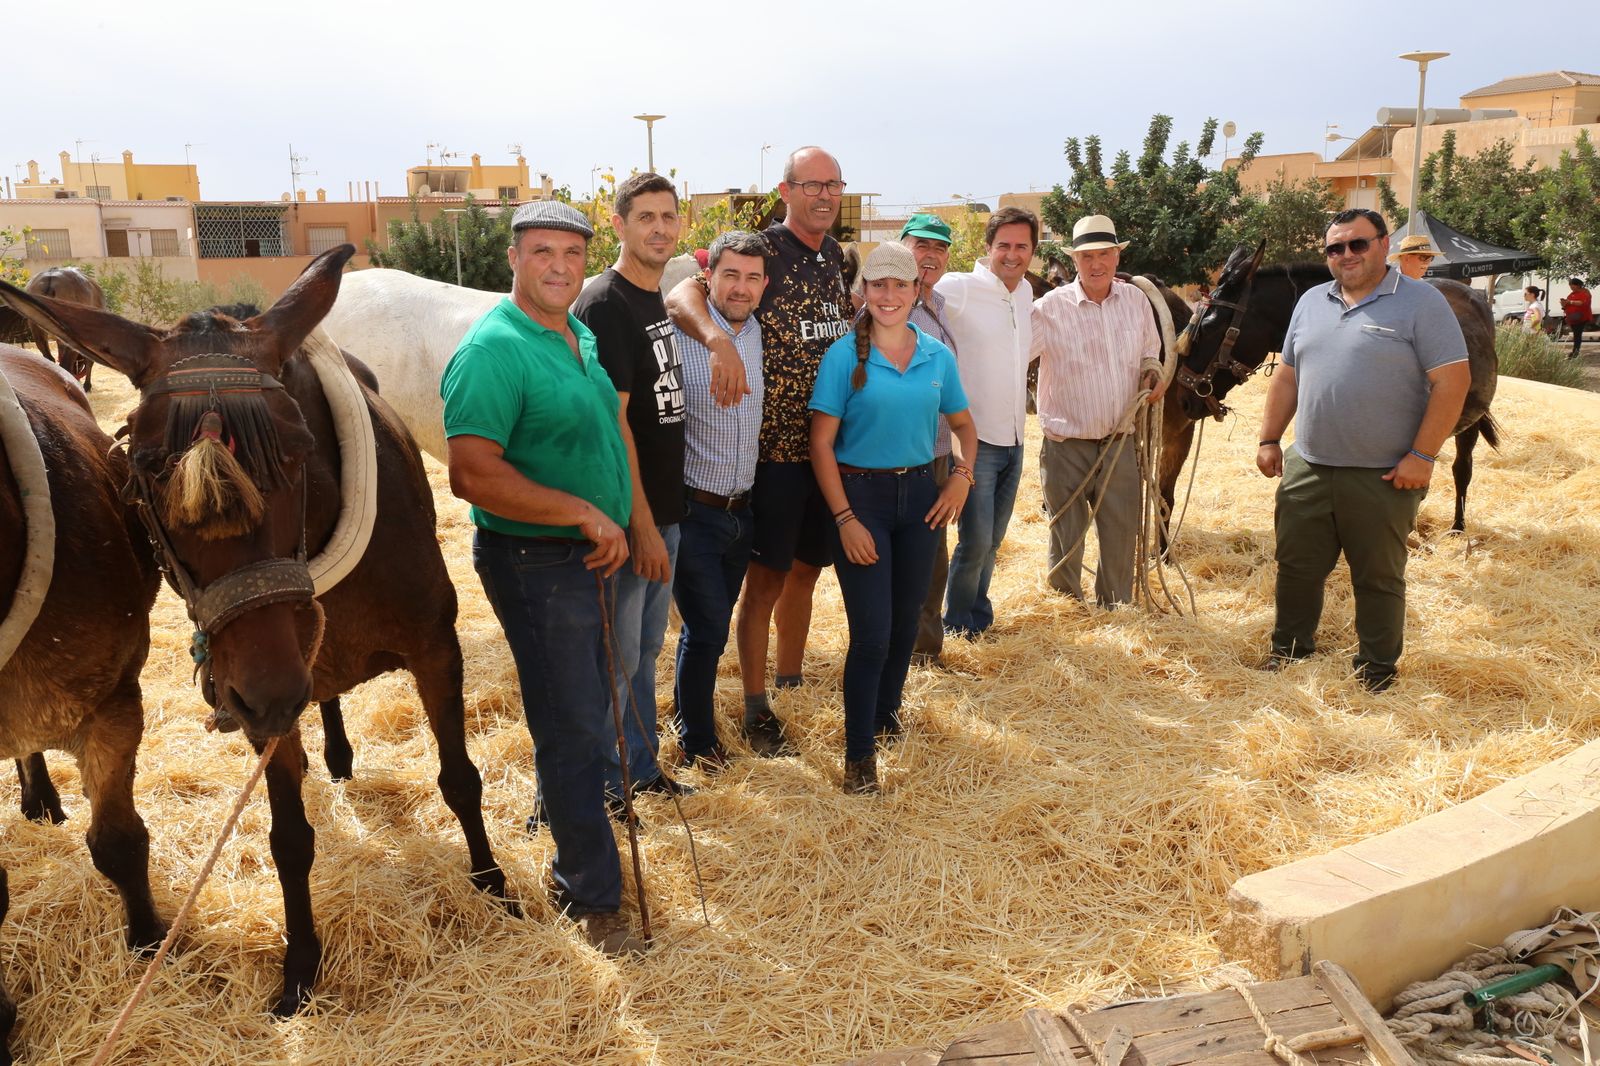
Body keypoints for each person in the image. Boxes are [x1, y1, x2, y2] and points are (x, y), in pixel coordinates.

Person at [441, 200, 645, 955]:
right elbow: (471, 472)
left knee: (587, 716)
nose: (559, 266)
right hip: (537, 561)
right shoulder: (494, 350)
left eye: (571, 252)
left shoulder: (577, 333)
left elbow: (605, 436)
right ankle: (588, 896)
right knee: (572, 728)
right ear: (514, 259)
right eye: (542, 252)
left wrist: (626, 521)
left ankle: (583, 862)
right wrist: (582, 514)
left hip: (589, 555)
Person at [666, 146, 851, 756]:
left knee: (806, 571)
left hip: (822, 449)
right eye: (811, 185)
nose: (823, 196)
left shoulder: (834, 260)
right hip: (767, 455)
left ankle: (789, 677)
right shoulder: (764, 249)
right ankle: (753, 705)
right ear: (787, 189)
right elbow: (685, 294)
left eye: (833, 185)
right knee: (764, 580)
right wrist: (718, 343)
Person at [1255, 208, 1469, 692]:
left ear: (1384, 243)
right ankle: (1289, 650)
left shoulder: (1421, 303)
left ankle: (1376, 669)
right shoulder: (1311, 301)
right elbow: (1288, 375)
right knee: (1296, 568)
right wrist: (1270, 439)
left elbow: (1453, 383)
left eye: (1357, 244)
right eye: (1335, 248)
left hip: (1383, 474)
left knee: (1378, 577)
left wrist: (1423, 455)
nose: (1346, 255)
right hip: (1307, 465)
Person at [809, 243, 976, 794]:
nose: (887, 295)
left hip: (921, 498)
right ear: (863, 292)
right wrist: (844, 518)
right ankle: (859, 756)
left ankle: (886, 716)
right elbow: (821, 445)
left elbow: (965, 429)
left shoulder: (936, 356)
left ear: (915, 291)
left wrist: (961, 477)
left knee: (907, 625)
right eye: (877, 285)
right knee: (872, 635)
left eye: (898, 285)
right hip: (862, 499)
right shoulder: (842, 357)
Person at [571, 173, 687, 802]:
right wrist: (641, 525)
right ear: (617, 225)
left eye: (668, 217)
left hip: (665, 511)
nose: (659, 228)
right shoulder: (607, 304)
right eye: (645, 217)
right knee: (613, 666)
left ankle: (638, 774)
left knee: (641, 656)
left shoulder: (654, 296)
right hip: (629, 517)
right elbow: (616, 427)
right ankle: (592, 795)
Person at [671, 230, 769, 771]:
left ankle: (686, 715)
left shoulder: (759, 331)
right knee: (706, 627)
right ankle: (698, 743)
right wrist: (716, 342)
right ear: (709, 275)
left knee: (709, 625)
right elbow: (675, 294)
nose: (740, 286)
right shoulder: (682, 330)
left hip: (742, 510)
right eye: (730, 274)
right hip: (695, 510)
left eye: (752, 277)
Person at [1030, 214, 1164, 606]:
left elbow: (1149, 350)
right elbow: (1016, 356)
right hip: (1065, 443)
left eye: (1105, 254)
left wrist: (1152, 373)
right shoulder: (1049, 308)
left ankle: (1116, 605)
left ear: (1117, 258)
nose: (1097, 264)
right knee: (1065, 533)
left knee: (1121, 529)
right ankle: (1067, 608)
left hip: (1120, 440)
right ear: (1075, 262)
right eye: (1087, 256)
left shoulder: (1136, 301)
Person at [934, 206, 1037, 637]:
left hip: (1015, 438)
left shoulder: (1026, 292)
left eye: (1022, 246)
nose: (1012, 255)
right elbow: (906, 297)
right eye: (1004, 246)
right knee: (974, 543)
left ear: (1032, 250)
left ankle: (978, 615)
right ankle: (957, 625)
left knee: (993, 541)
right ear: (987, 248)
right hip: (975, 440)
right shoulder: (958, 287)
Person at [890, 214, 959, 665]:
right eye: (920, 245)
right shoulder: (889, 307)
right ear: (901, 250)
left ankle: (924, 652)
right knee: (907, 559)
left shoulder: (939, 306)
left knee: (933, 557)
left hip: (935, 452)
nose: (930, 255)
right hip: (898, 458)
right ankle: (901, 652)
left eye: (938, 248)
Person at [1561, 278, 1592, 359]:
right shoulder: (1571, 295)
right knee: (1576, 335)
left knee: (1577, 335)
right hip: (1572, 318)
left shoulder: (1584, 293)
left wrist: (1570, 302)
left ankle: (1575, 352)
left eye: (1572, 285)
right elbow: (1566, 306)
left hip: (1581, 317)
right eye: (1570, 285)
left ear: (1578, 285)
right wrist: (1564, 304)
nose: (1571, 287)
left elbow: (1582, 303)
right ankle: (1575, 351)